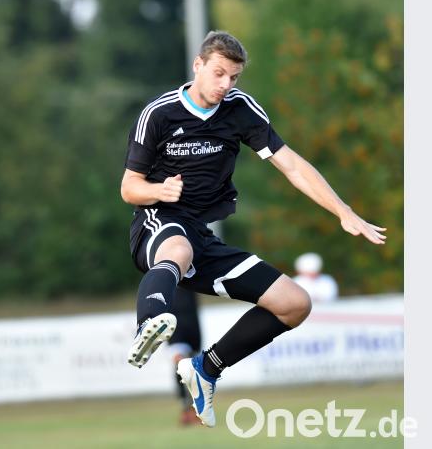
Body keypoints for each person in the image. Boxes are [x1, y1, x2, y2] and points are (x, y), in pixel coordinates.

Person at [122, 31, 385, 427]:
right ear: (198, 65)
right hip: (157, 223)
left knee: (295, 303)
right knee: (178, 251)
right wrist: (160, 189)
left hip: (201, 235)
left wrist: (343, 210)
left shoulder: (240, 109)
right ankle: (150, 322)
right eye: (218, 73)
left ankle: (206, 369)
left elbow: (292, 165)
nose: (226, 85)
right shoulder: (159, 114)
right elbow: (129, 188)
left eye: (234, 77)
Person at [167, 287, 203, 426]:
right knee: (181, 366)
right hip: (175, 326)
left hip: (192, 325)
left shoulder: (191, 273)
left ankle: (194, 409)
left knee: (194, 368)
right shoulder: (166, 273)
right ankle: (186, 409)